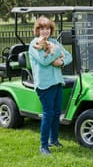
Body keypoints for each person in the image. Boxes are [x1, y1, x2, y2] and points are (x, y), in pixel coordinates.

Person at [29, 16, 72, 155]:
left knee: (56, 113)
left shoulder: (53, 42)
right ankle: (43, 145)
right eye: (42, 29)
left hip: (57, 81)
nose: (45, 31)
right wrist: (58, 53)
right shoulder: (34, 44)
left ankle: (54, 140)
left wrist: (62, 62)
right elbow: (44, 60)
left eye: (47, 28)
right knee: (48, 114)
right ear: (37, 30)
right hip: (44, 84)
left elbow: (69, 56)